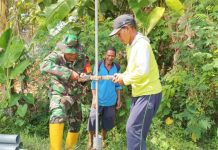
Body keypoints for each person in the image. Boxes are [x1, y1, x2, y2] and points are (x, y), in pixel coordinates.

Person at [110, 14, 162, 150]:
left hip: (148, 93)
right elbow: (132, 69)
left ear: (127, 28)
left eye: (119, 34)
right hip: (140, 93)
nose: (118, 37)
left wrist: (125, 79)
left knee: (133, 129)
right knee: (137, 133)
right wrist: (122, 75)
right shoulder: (131, 46)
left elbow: (142, 71)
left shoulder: (141, 45)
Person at [40, 34, 92, 150]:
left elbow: (89, 73)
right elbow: (43, 66)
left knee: (76, 123)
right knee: (57, 116)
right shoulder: (56, 56)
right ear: (63, 50)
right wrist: (68, 73)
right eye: (69, 53)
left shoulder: (83, 58)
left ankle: (70, 148)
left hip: (75, 95)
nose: (73, 56)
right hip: (59, 93)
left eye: (75, 53)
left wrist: (84, 77)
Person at [87, 46, 122, 149]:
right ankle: (91, 140)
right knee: (93, 120)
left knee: (106, 123)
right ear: (105, 55)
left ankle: (103, 140)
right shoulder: (98, 66)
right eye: (108, 55)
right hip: (98, 100)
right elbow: (93, 83)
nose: (110, 58)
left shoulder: (117, 67)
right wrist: (94, 98)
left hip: (111, 101)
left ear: (114, 57)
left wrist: (119, 99)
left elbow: (118, 85)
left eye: (112, 56)